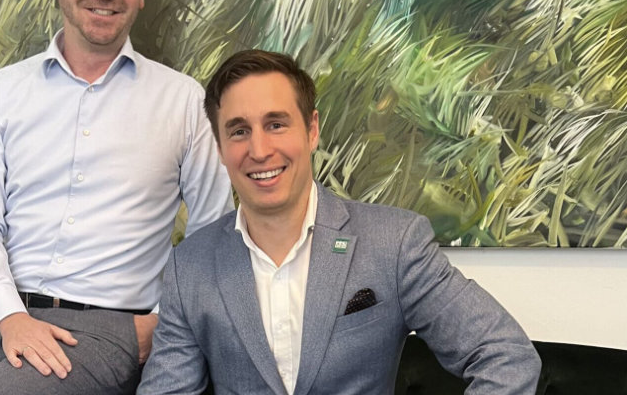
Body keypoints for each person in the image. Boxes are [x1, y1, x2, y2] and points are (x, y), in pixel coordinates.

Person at [0, 0, 233, 395]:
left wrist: (160, 326)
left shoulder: (184, 102)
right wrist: (11, 317)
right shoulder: (1, 94)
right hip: (5, 329)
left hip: (113, 334)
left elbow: (214, 234)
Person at [138, 50, 541, 394]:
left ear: (311, 130)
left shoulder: (394, 243)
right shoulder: (189, 267)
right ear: (220, 147)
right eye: (239, 131)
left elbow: (505, 356)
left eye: (276, 124)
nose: (259, 150)